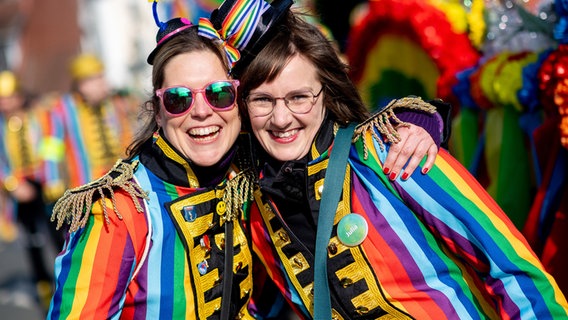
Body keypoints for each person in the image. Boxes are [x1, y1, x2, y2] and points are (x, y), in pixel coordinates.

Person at [46, 1, 444, 318]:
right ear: (158, 109)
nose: (201, 112)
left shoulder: (250, 179)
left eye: (218, 93)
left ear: (239, 101)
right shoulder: (120, 211)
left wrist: (415, 120)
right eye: (179, 99)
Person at [203, 1, 568, 319]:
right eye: (263, 100)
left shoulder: (395, 151)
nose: (281, 119)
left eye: (299, 97)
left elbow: (512, 270)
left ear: (327, 95)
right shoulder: (252, 202)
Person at [41, 53, 140, 204]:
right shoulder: (62, 110)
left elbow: (128, 137)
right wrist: (52, 179)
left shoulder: (113, 104)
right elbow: (51, 147)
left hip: (122, 185)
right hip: (85, 190)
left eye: (101, 77)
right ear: (81, 84)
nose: (102, 83)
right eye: (95, 79)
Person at [0, 70, 56, 312]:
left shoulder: (38, 118)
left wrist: (51, 176)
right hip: (20, 193)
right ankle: (43, 291)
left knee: (59, 237)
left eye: (11, 96)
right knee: (32, 244)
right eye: (3, 98)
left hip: (45, 186)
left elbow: (52, 144)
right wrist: (13, 185)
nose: (7, 103)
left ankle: (67, 284)